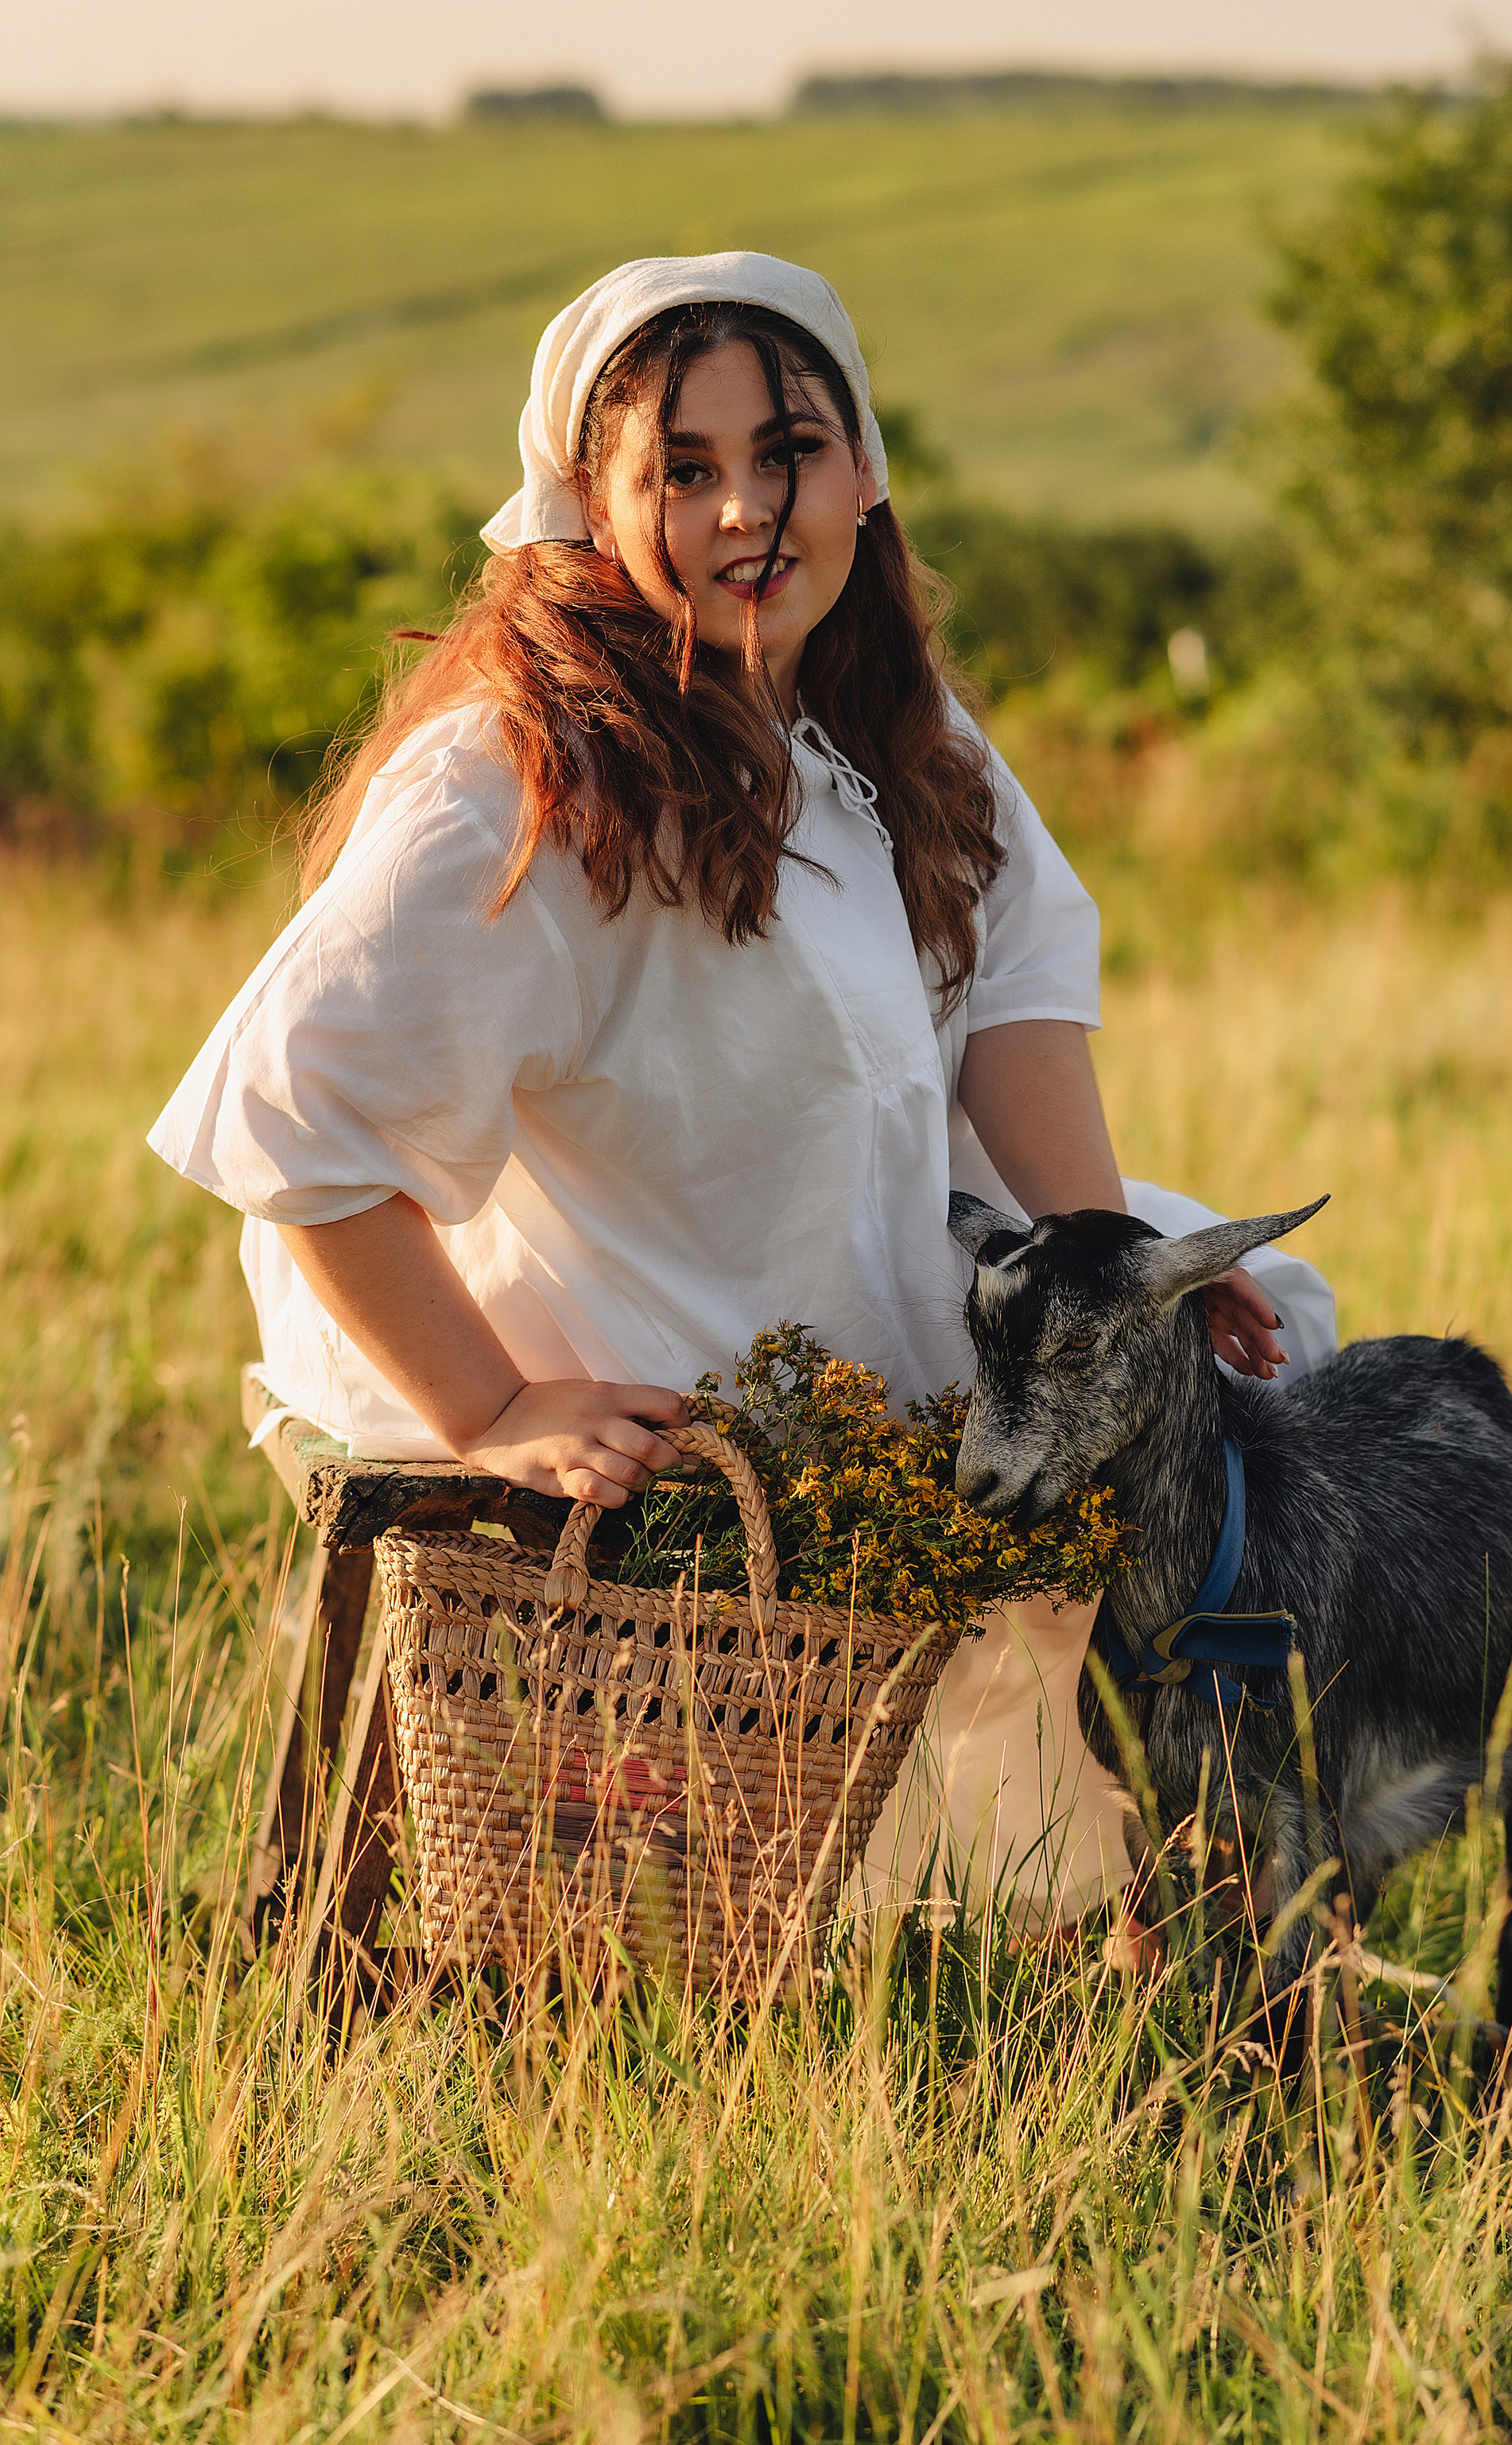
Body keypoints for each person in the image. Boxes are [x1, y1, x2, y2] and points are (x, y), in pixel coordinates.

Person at [149, 250, 1333, 1924]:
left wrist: (1098, 1269)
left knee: (1255, 1335)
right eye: (682, 470)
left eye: (787, 450)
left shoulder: (886, 726)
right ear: (589, 504)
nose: (746, 510)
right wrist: (490, 1409)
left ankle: (1187, 1901)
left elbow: (1013, 998)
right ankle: (1083, 1909)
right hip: (671, 1332)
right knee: (1081, 1464)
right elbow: (293, 1114)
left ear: (866, 469)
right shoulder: (520, 776)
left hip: (847, 1265)